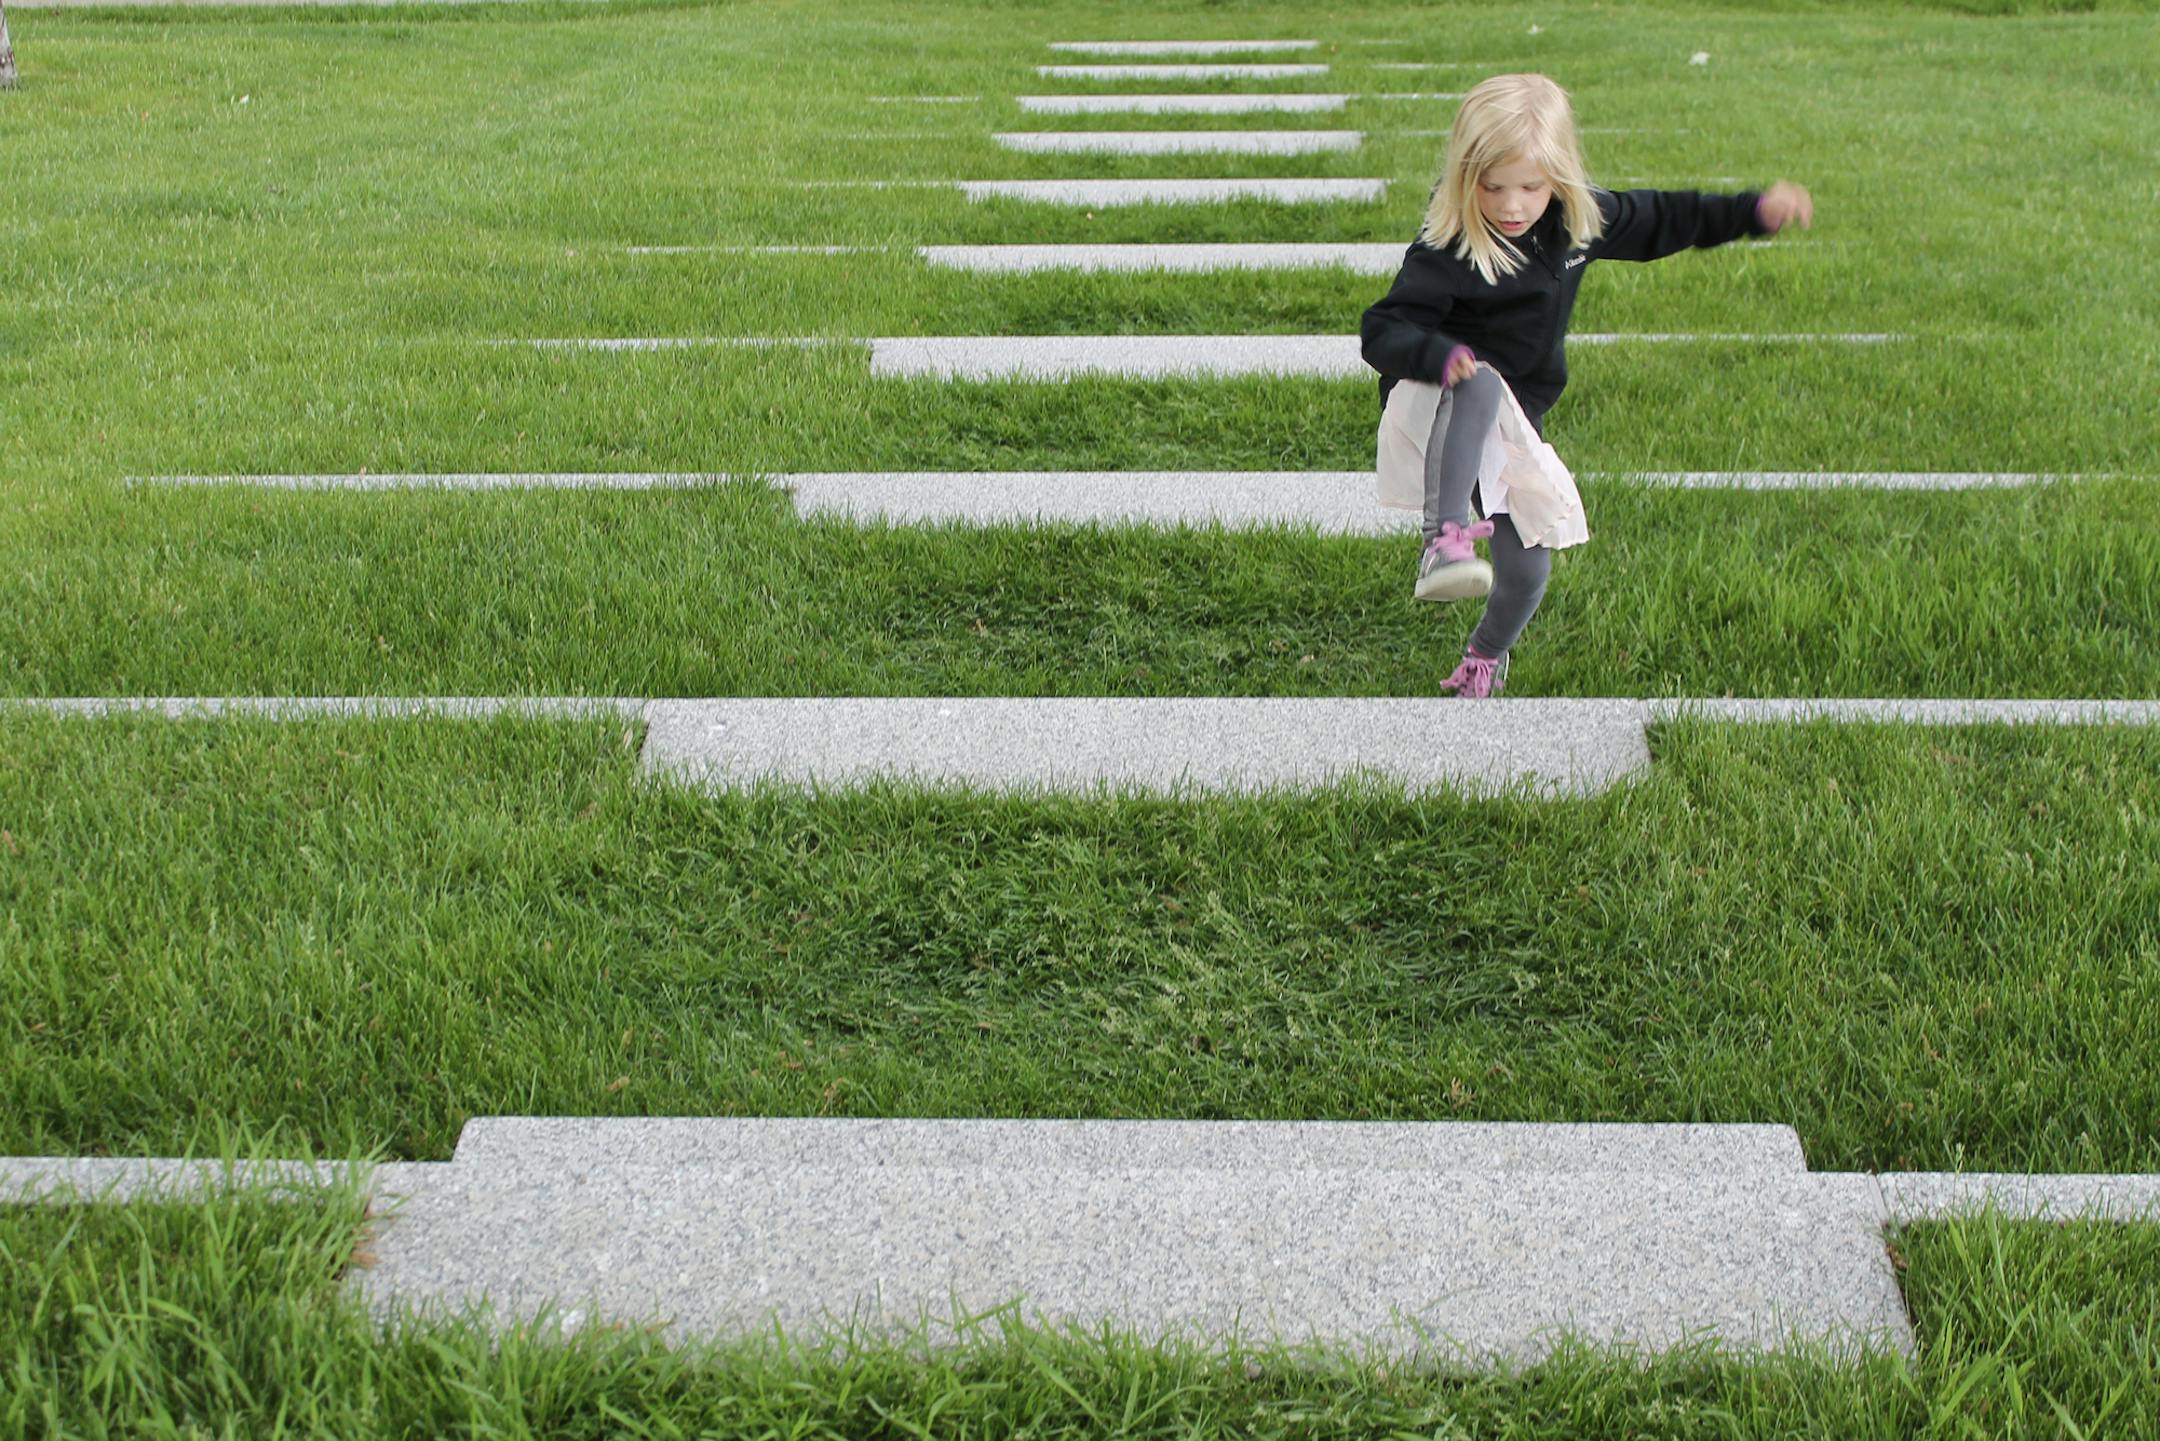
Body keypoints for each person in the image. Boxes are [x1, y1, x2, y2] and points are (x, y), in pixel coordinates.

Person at [1360, 73, 1814, 698]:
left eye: (1531, 187)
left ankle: (1483, 660)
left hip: (1514, 418)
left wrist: (1753, 213)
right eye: (1492, 187)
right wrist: (1440, 354)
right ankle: (1442, 540)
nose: (1513, 205)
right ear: (1468, 179)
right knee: (1482, 385)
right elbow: (1382, 329)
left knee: (1528, 568)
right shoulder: (1450, 245)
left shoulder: (1576, 222)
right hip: (1437, 397)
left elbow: (1665, 217)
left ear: (1559, 178)